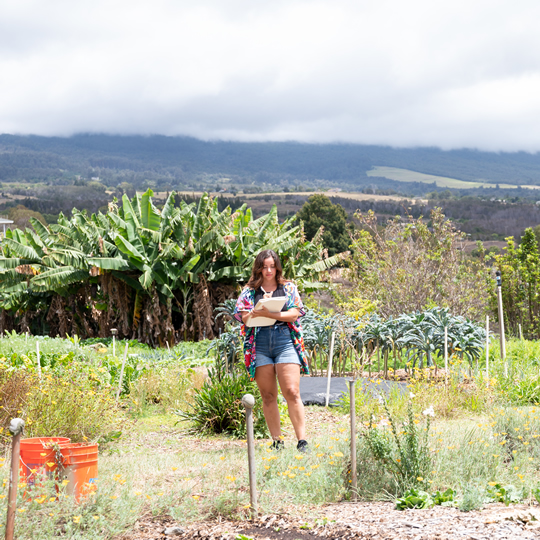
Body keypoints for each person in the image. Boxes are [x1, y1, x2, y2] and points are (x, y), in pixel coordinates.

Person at [234, 249, 309, 452]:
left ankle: (302, 441)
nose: (268, 271)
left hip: (284, 340)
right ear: (258, 268)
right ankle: (277, 442)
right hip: (260, 342)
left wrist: (272, 313)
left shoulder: (288, 288)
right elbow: (244, 318)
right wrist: (256, 313)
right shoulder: (249, 291)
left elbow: (294, 313)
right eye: (264, 267)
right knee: (268, 395)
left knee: (292, 392)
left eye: (272, 266)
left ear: (277, 267)